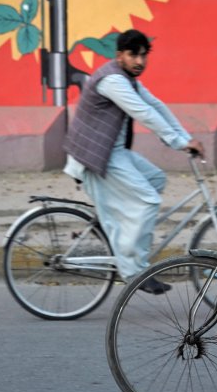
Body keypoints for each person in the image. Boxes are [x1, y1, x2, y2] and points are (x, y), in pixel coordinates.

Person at [63, 29, 205, 294]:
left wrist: (186, 139)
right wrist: (178, 143)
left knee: (156, 180)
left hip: (113, 153)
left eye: (143, 55)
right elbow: (144, 113)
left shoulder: (128, 79)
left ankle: (127, 244)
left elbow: (157, 105)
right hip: (97, 158)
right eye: (133, 55)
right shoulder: (112, 81)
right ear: (120, 56)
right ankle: (133, 269)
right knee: (148, 201)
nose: (139, 61)